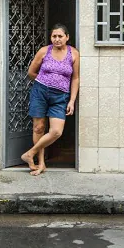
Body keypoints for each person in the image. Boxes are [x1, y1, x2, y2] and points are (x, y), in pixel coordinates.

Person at [21, 24, 80, 176]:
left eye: (60, 36)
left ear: (67, 37)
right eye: (54, 36)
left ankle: (29, 153)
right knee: (39, 128)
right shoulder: (44, 51)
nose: (57, 39)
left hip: (61, 96)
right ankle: (41, 163)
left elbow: (75, 79)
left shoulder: (73, 54)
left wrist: (72, 100)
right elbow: (31, 72)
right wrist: (46, 81)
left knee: (56, 131)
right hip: (40, 91)